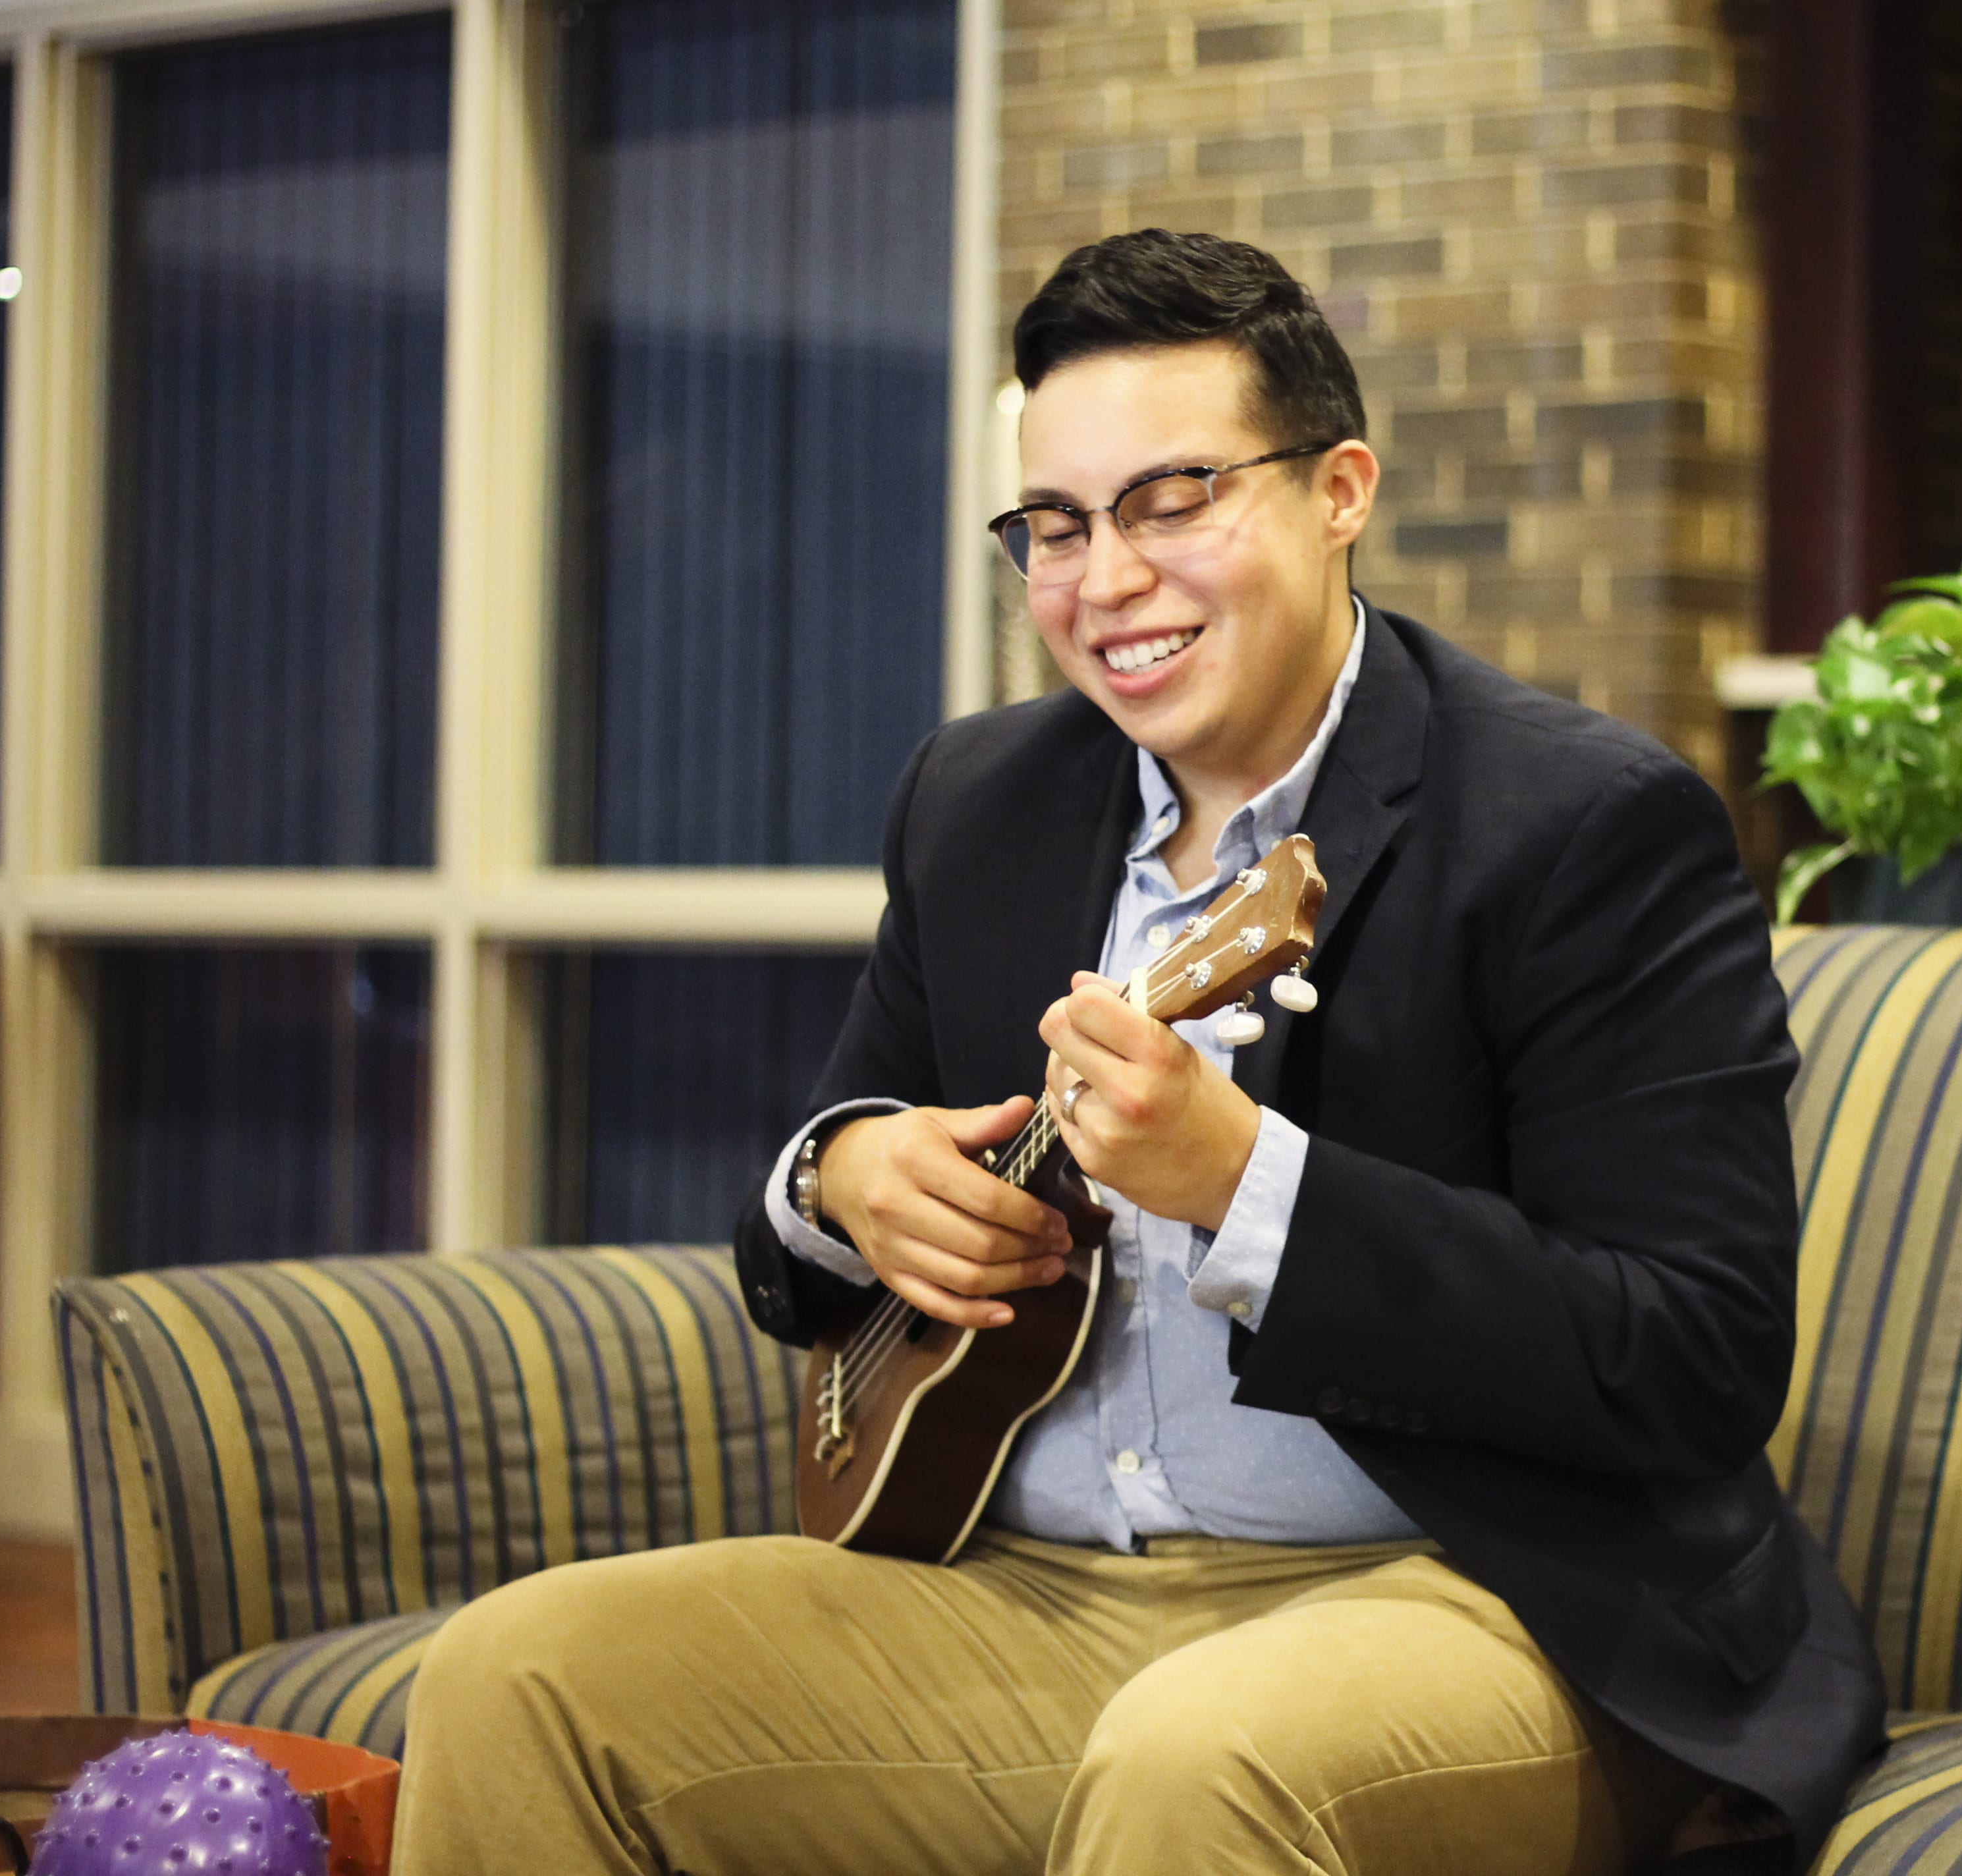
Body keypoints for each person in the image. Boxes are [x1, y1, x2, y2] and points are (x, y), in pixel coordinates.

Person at [391, 229, 1884, 1876]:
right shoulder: (978, 802)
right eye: (1055, 525)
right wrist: (843, 1178)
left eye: (1174, 500)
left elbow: (1698, 1349)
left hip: (1484, 1598)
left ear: (1340, 491)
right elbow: (816, 1199)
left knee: (1200, 1758)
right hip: (1026, 1589)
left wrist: (1253, 1189)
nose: (1106, 579)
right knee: (514, 1675)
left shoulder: (1584, 823)